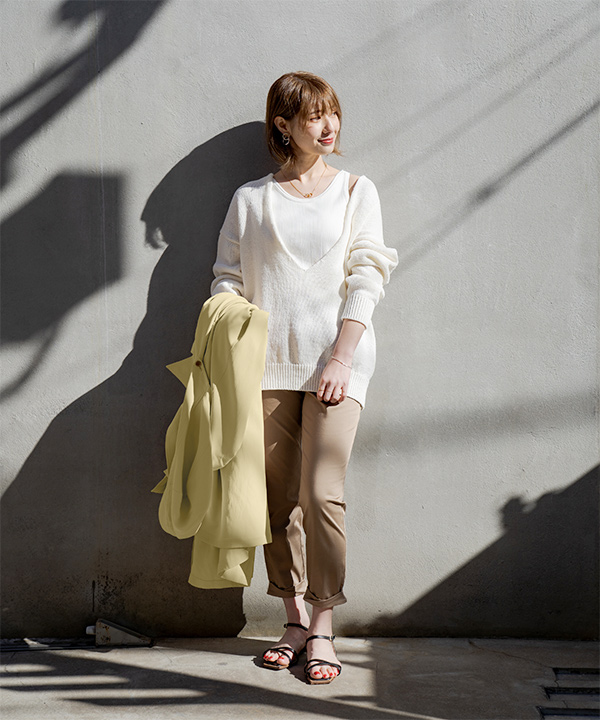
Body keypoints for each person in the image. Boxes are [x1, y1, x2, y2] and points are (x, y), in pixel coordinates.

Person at [210, 71, 398, 685]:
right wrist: (227, 324)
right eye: (314, 116)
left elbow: (368, 273)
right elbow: (227, 279)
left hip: (338, 363)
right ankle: (292, 620)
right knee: (275, 501)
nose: (328, 125)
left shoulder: (356, 191)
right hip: (265, 367)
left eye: (332, 112)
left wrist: (342, 355)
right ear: (283, 125)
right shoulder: (251, 199)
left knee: (321, 495)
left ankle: (323, 624)